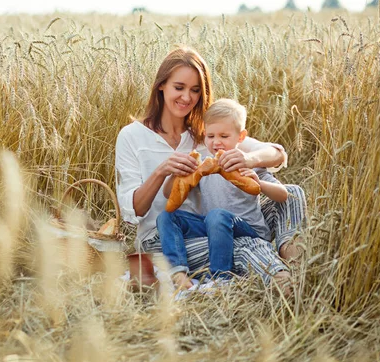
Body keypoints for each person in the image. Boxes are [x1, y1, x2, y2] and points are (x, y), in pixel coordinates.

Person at [114, 46, 306, 292]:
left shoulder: (206, 135)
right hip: (165, 239)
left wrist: (249, 160)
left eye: (195, 90)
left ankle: (291, 252)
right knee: (241, 244)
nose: (187, 97)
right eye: (179, 87)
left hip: (214, 225)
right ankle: (282, 281)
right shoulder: (132, 136)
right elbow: (134, 210)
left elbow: (277, 153)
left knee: (293, 194)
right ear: (161, 85)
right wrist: (162, 171)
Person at [157, 98, 289, 289]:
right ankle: (178, 272)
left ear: (240, 137)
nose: (216, 142)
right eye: (210, 136)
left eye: (224, 136)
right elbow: (169, 194)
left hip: (248, 229)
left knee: (216, 215)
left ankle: (220, 279)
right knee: (167, 216)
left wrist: (259, 183)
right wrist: (176, 174)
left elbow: (283, 194)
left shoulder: (244, 164)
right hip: (212, 227)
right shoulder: (204, 167)